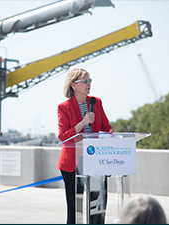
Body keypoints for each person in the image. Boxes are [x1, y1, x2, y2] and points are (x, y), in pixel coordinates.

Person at [57, 68, 113, 224]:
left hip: (95, 158)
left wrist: (115, 135)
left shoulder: (96, 102)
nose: (89, 84)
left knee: (98, 203)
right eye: (85, 81)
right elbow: (63, 136)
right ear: (73, 85)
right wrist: (83, 122)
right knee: (75, 207)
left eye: (90, 81)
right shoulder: (64, 107)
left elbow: (105, 127)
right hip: (74, 162)